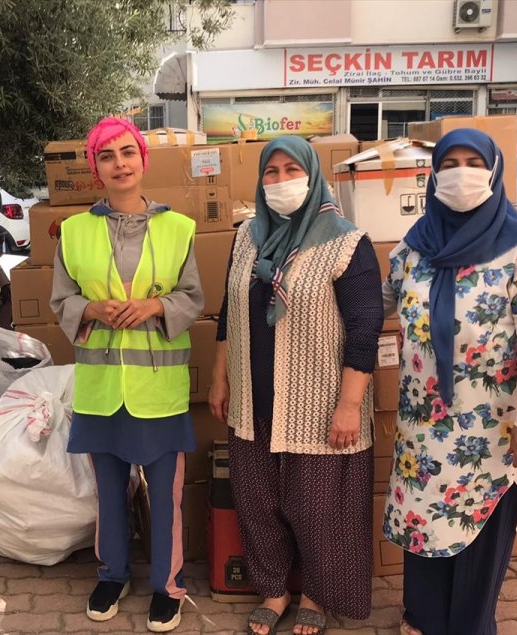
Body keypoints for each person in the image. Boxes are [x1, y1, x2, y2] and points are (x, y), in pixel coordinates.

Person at [381, 129, 517, 635]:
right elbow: (377, 311)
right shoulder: (413, 249)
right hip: (421, 436)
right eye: (450, 162)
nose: (461, 173)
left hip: (490, 440)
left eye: (473, 161)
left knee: (475, 564)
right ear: (434, 173)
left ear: (494, 170)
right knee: (424, 543)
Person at [208, 136, 383, 635]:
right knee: (257, 502)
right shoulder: (247, 237)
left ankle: (316, 596)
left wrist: (349, 406)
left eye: (292, 170)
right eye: (272, 172)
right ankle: (274, 589)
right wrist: (220, 378)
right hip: (252, 399)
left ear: (312, 176)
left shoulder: (346, 242)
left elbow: (364, 329)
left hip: (318, 403)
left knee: (318, 510)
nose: (282, 181)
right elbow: (228, 315)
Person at [49, 117, 204, 633]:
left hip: (158, 392)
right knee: (110, 492)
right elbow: (62, 300)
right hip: (100, 391)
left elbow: (193, 299)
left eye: (127, 153)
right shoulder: (73, 233)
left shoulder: (179, 228)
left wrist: (155, 306)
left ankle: (168, 585)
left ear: (143, 160)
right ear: (96, 167)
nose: (119, 163)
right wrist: (91, 311)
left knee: (166, 496)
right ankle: (112, 575)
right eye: (108, 156)